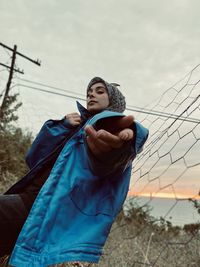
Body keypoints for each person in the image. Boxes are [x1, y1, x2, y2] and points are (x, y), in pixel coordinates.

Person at [0, 77, 149, 267]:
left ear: (114, 101)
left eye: (99, 91)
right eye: (89, 92)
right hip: (33, 199)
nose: (91, 94)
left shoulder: (108, 125)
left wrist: (120, 145)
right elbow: (34, 158)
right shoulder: (76, 128)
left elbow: (115, 153)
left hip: (46, 208)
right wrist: (61, 126)